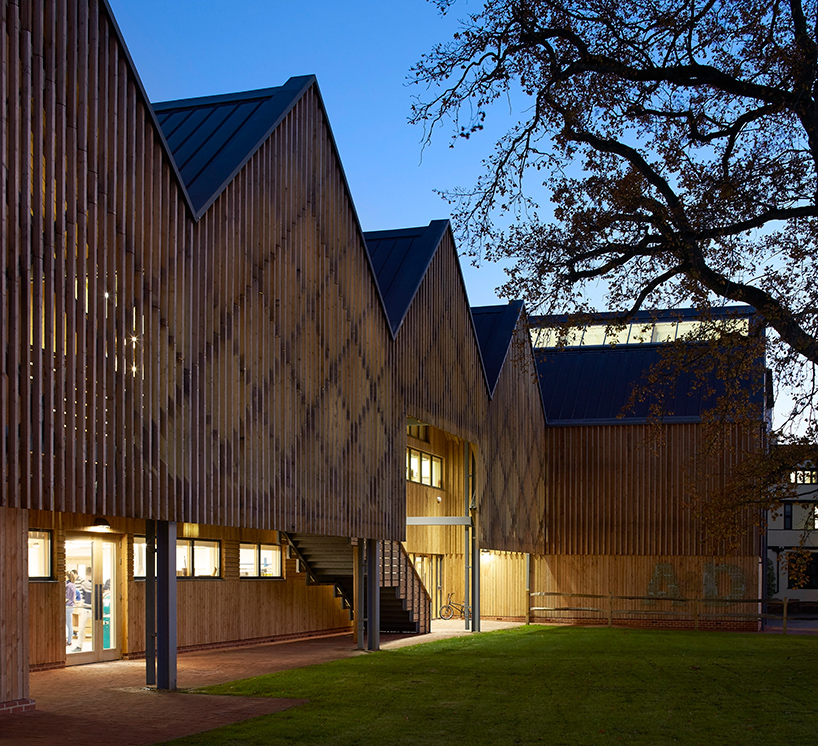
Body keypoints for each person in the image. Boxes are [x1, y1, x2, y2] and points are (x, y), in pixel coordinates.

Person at [73, 567, 93, 652]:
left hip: (92, 608)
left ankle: (97, 646)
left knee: (95, 628)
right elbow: (82, 596)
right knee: (81, 628)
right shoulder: (84, 584)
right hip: (85, 608)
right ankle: (79, 646)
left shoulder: (97, 583)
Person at [65, 570, 77, 647]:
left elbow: (66, 598)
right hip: (71, 606)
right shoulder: (72, 585)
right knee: (69, 624)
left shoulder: (68, 585)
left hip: (68, 606)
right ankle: (69, 640)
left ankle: (69, 640)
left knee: (69, 625)